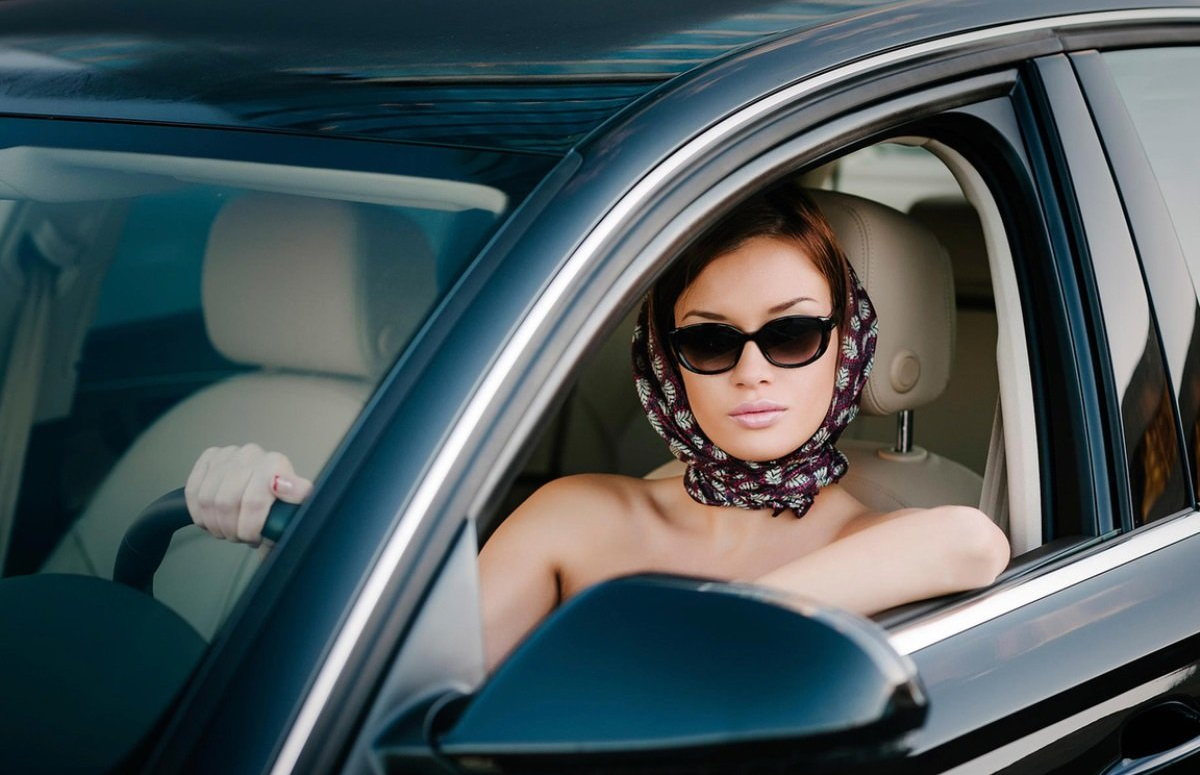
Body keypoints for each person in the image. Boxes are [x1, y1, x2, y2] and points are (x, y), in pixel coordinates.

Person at [185, 182, 1010, 671]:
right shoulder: (576, 514)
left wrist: (673, 634)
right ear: (667, 362)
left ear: (848, 345)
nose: (753, 370)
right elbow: (413, 690)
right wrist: (301, 541)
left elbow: (972, 544)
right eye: (711, 341)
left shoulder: (897, 531)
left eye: (792, 333)